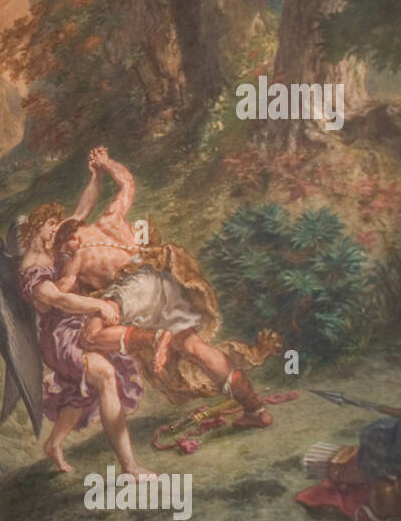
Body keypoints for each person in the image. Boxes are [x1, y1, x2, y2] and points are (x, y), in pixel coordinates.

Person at [54, 148, 273, 429]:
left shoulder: (75, 257)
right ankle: (256, 409)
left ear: (67, 240)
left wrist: (39, 288)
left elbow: (60, 291)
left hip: (133, 289)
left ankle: (156, 337)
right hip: (161, 281)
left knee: (91, 336)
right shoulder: (110, 219)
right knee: (194, 347)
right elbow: (127, 183)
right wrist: (106, 164)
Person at [16, 149, 151, 477]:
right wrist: (98, 305)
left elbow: (82, 209)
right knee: (104, 377)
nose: (57, 230)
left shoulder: (53, 244)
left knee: (80, 392)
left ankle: (54, 444)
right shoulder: (31, 268)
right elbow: (60, 301)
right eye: (51, 225)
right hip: (59, 338)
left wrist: (95, 176)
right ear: (36, 228)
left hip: (78, 327)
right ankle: (130, 467)